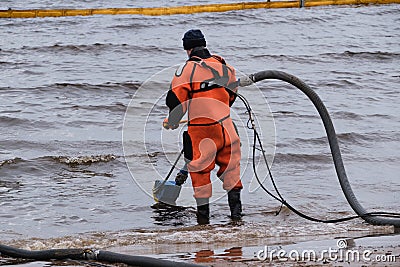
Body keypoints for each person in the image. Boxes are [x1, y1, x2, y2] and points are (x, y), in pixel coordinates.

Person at [163, 29, 243, 224]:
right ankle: (237, 219)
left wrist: (172, 121)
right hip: (227, 128)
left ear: (187, 49)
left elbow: (175, 100)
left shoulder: (186, 70)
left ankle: (203, 224)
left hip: (202, 131)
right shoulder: (225, 68)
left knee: (200, 174)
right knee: (231, 170)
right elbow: (231, 96)